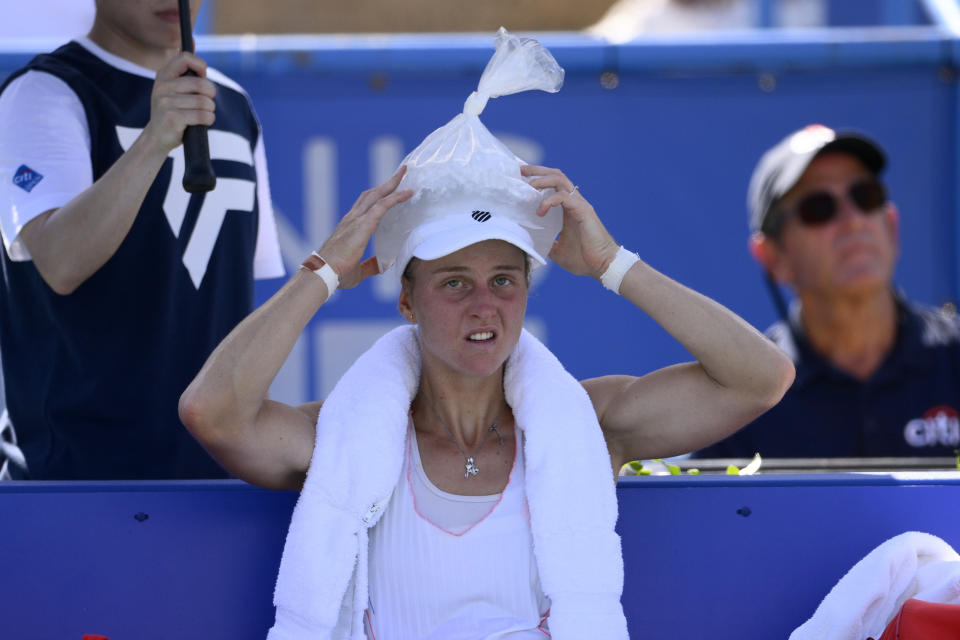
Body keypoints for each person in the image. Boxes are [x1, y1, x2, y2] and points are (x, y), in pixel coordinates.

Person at [180, 30, 793, 638]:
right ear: (406, 301)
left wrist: (613, 263)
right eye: (453, 282)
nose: (484, 306)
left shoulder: (588, 421)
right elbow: (214, 413)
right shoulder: (340, 433)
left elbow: (760, 379)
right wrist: (320, 272)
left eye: (505, 280)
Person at [0, 0, 284, 480]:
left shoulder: (232, 104)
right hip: (69, 483)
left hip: (215, 482)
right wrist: (154, 141)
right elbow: (60, 262)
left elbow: (234, 309)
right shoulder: (42, 93)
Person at [697, 124, 960, 459]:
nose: (853, 221)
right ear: (773, 256)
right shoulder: (741, 405)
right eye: (818, 208)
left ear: (891, 225)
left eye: (866, 196)